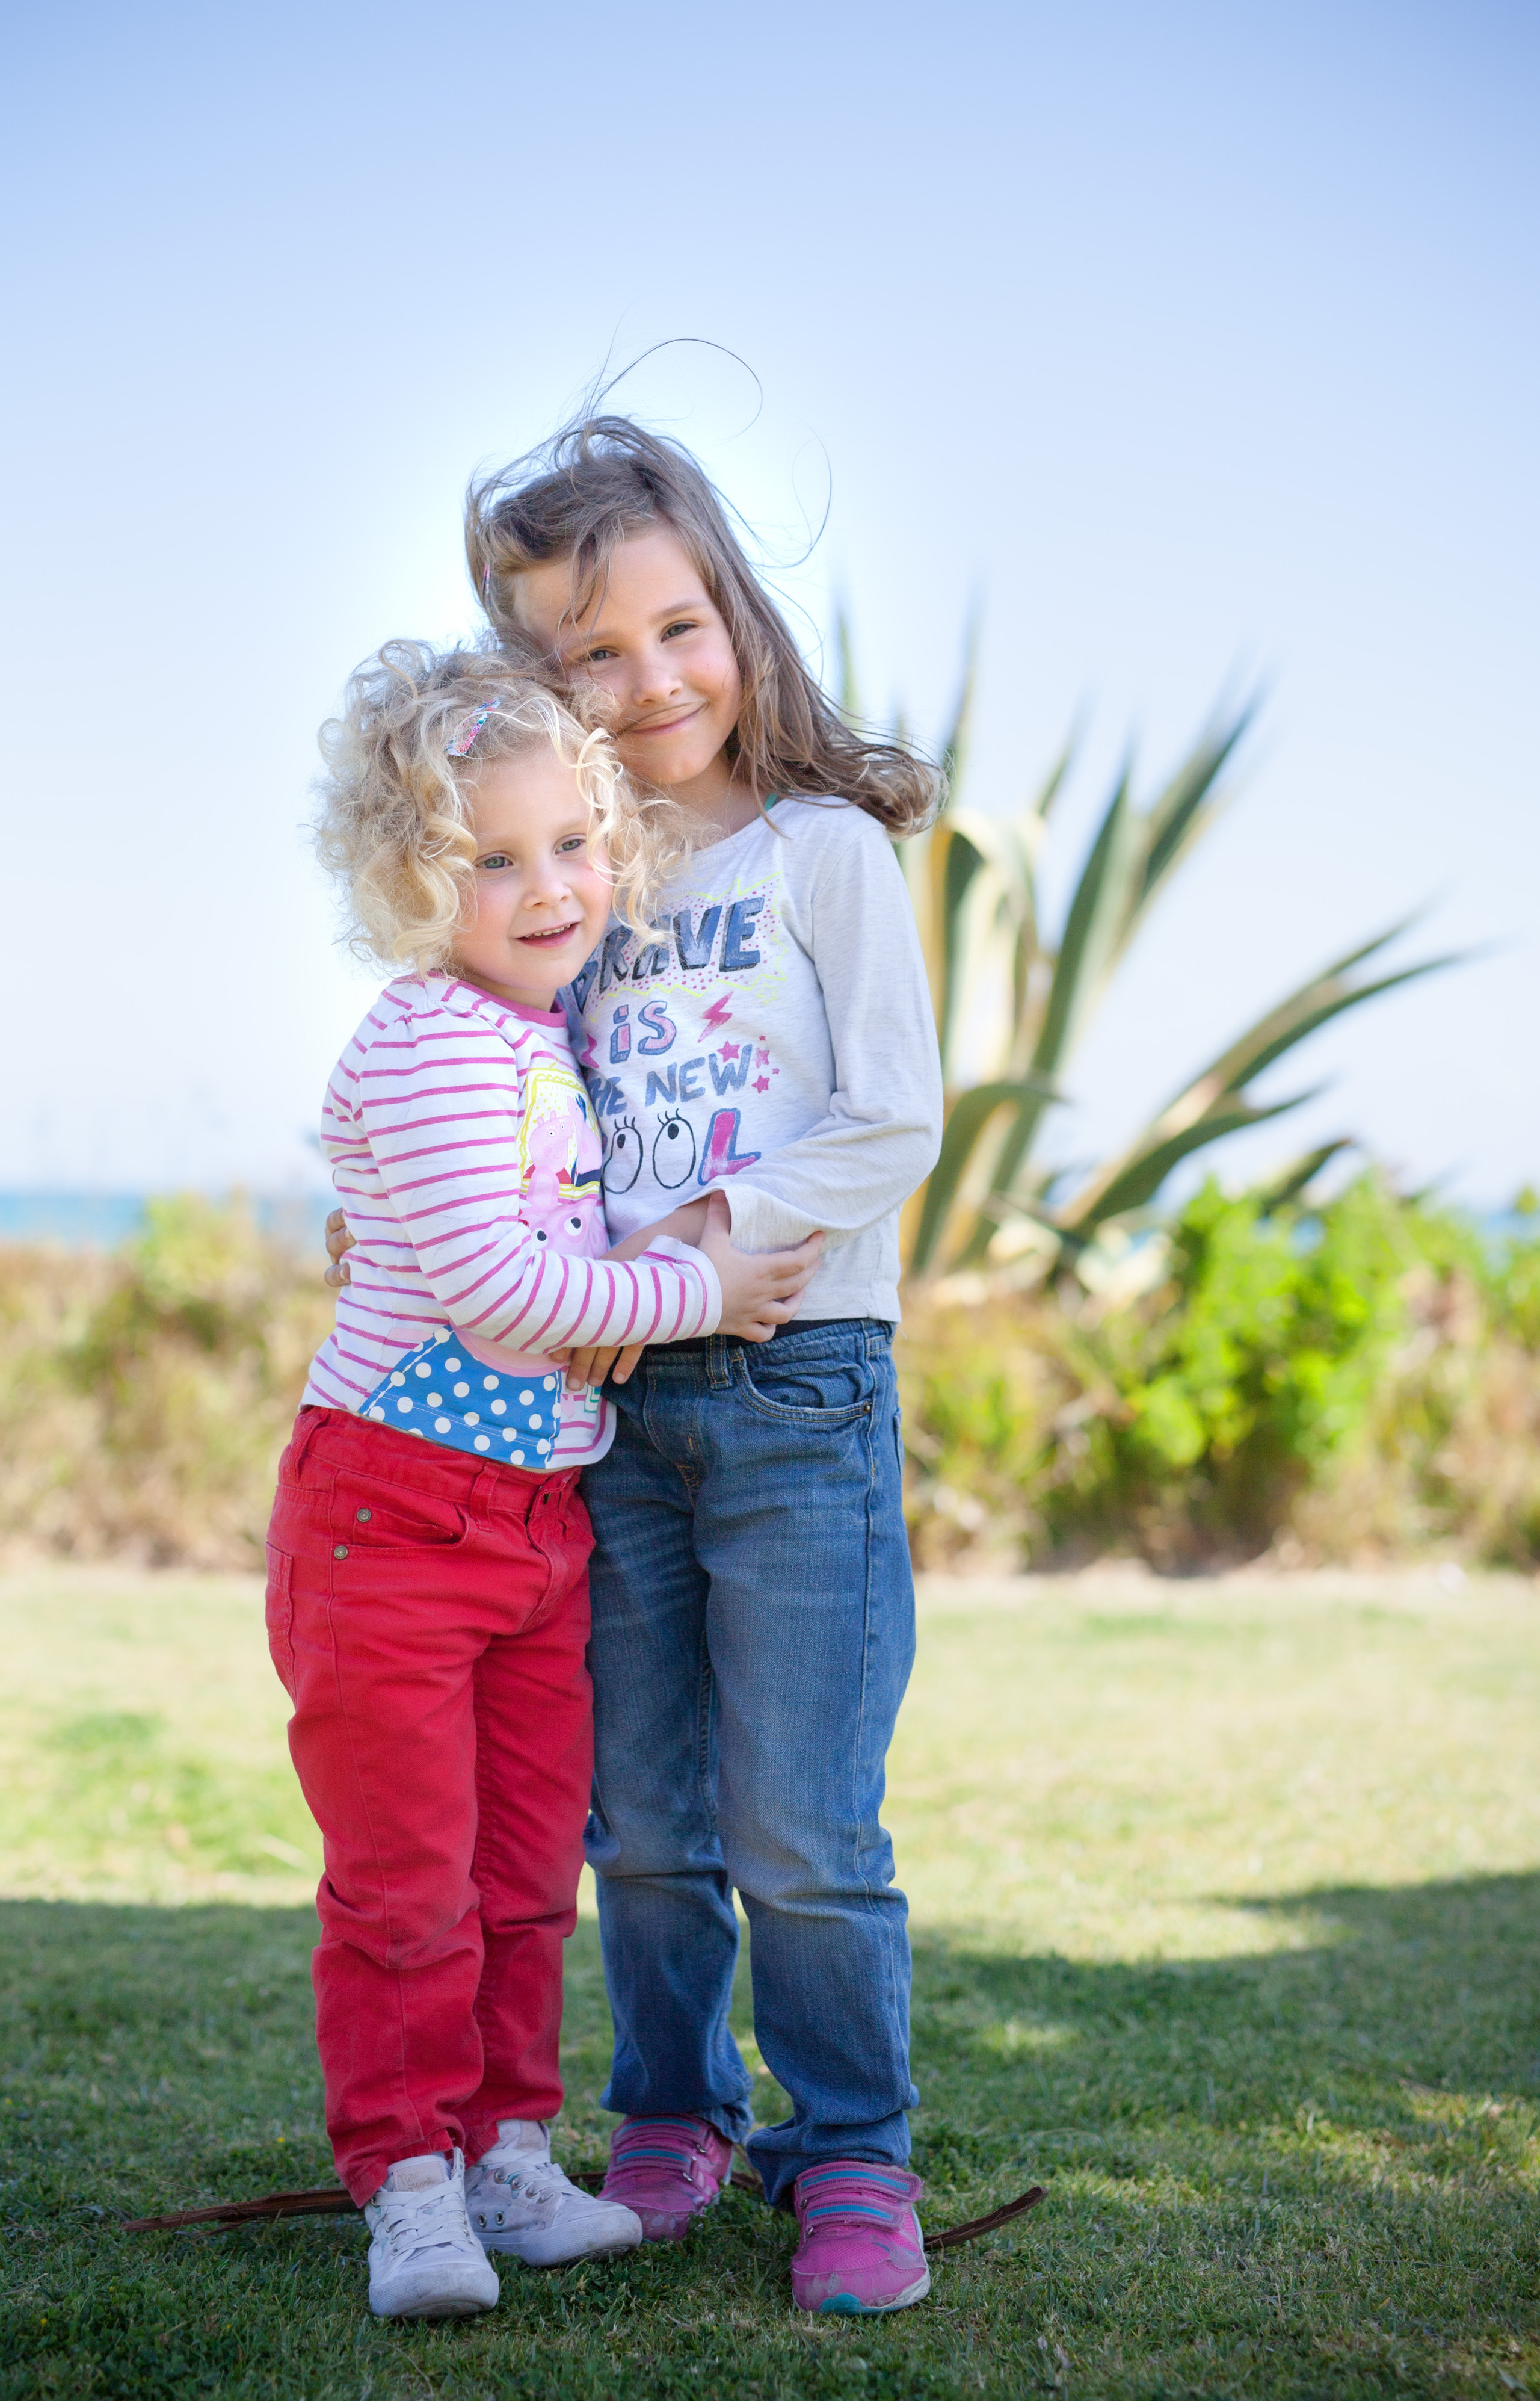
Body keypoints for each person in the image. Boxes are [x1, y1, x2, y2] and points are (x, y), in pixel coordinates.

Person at [276, 641, 820, 2322]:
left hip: (527, 1528)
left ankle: (509, 2150)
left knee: (522, 1874)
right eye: (491, 859)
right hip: (392, 1518)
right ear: (411, 879)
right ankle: (412, 2187)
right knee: (408, 1883)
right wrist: (701, 1293)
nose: (547, 886)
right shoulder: (436, 1037)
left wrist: (641, 1247)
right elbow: (508, 1293)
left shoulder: (543, 1035)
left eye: (573, 844)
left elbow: (545, 1242)